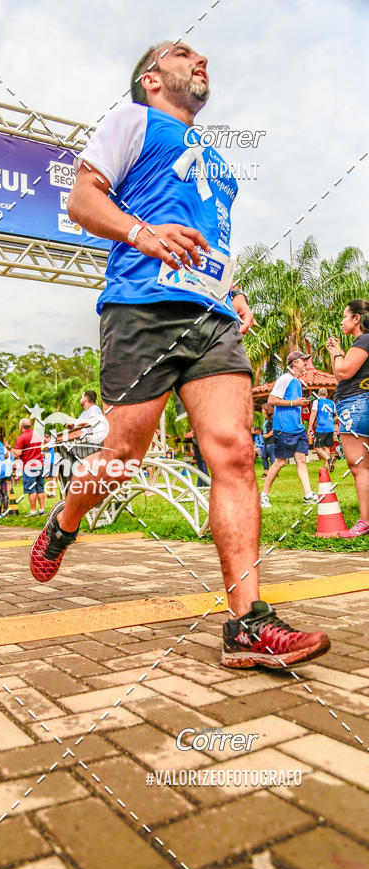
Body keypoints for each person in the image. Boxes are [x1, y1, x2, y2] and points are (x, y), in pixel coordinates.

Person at [29, 38, 329, 670]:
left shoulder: (214, 159)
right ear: (151, 75)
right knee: (122, 454)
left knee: (235, 451)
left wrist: (233, 291)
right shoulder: (131, 119)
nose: (204, 61)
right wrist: (143, 233)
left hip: (211, 315)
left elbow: (204, 239)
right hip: (141, 306)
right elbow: (82, 201)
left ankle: (246, 623)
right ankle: (65, 518)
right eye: (185, 53)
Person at [328, 298, 369, 537]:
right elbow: (340, 376)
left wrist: (336, 353)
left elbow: (343, 372)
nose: (342, 321)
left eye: (345, 315)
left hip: (356, 405)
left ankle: (365, 521)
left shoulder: (364, 339)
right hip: (357, 402)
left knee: (359, 466)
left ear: (357, 318)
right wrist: (340, 354)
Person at [260, 352, 318, 508]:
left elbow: (292, 403)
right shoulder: (285, 378)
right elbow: (271, 400)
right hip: (284, 429)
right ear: (295, 363)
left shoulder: (297, 382)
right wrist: (293, 403)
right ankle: (264, 495)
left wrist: (299, 404)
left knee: (301, 460)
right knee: (280, 462)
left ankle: (308, 495)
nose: (306, 364)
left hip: (297, 429)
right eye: (303, 361)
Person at [14, 417, 46, 516]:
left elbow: (18, 454)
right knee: (40, 488)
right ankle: (42, 510)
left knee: (31, 489)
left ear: (21, 426)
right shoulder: (37, 435)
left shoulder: (22, 437)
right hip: (40, 464)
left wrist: (12, 451)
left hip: (29, 466)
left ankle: (33, 511)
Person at [308, 388, 336, 469]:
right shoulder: (332, 402)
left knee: (317, 447)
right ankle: (326, 467)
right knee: (326, 447)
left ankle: (329, 459)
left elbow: (313, 414)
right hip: (330, 427)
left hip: (321, 428)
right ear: (327, 394)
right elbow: (336, 415)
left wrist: (310, 426)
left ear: (318, 394)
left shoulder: (316, 402)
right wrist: (331, 421)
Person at [261, 403, 275, 475]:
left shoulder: (272, 418)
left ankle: (273, 474)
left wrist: (267, 435)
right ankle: (266, 473)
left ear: (267, 410)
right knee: (263, 456)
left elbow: (275, 429)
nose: (262, 410)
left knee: (272, 458)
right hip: (266, 442)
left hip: (271, 441)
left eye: (263, 409)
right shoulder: (266, 419)